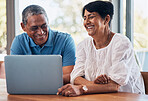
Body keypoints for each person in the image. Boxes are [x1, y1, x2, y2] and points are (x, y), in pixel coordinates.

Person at [57, 1, 145, 97]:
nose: (86, 22)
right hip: (97, 95)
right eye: (85, 18)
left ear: (106, 19)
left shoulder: (121, 43)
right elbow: (76, 77)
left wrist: (83, 88)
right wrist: (96, 86)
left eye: (91, 17)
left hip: (128, 96)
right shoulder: (83, 45)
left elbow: (115, 86)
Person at [10, 5, 76, 84]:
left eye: (44, 26)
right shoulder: (19, 41)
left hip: (58, 92)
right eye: (34, 28)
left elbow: (69, 75)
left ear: (48, 22)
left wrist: (36, 81)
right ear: (23, 27)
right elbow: (15, 76)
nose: (40, 32)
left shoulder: (65, 40)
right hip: (28, 91)